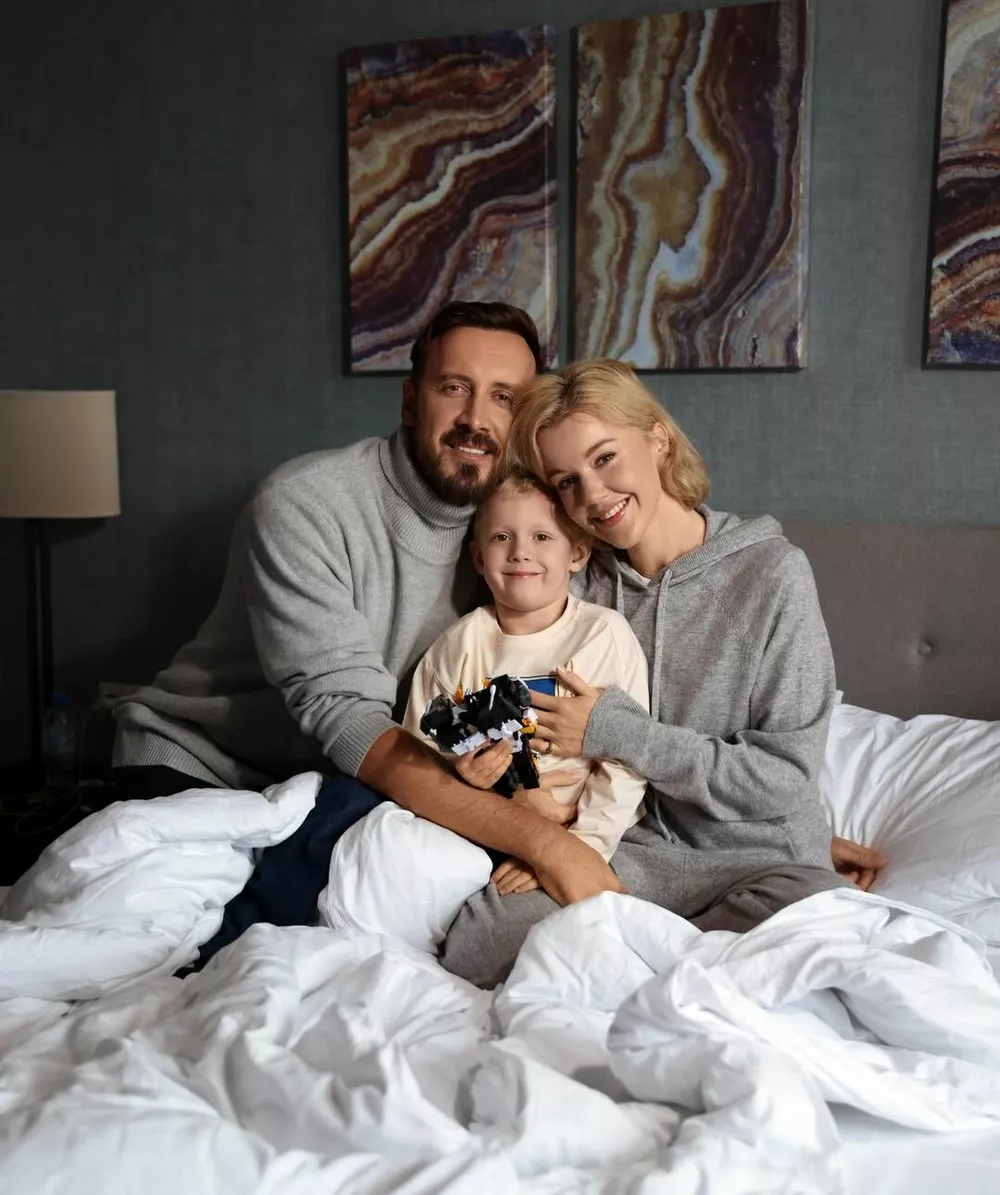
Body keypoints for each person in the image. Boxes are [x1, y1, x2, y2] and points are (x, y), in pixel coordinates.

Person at [111, 303, 623, 912]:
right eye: (453, 388)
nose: (475, 419)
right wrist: (545, 842)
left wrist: (535, 797)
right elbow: (347, 718)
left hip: (349, 790)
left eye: (503, 398)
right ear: (409, 401)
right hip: (206, 770)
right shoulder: (305, 506)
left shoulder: (527, 537)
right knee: (175, 938)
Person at [439, 359, 886, 987]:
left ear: (658, 439)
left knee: (815, 945)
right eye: (566, 481)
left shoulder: (772, 575)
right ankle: (661, 968)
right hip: (630, 849)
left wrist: (619, 731)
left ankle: (654, 972)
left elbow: (784, 777)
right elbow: (501, 707)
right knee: (477, 945)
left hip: (760, 862)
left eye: (604, 458)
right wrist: (517, 799)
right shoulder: (573, 579)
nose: (592, 495)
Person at [402, 469, 649, 895]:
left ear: (577, 552)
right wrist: (464, 776)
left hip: (593, 836)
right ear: (479, 558)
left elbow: (626, 761)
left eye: (542, 537)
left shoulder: (602, 635)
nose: (520, 553)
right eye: (502, 537)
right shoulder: (457, 647)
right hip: (481, 829)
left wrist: (579, 849)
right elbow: (416, 756)